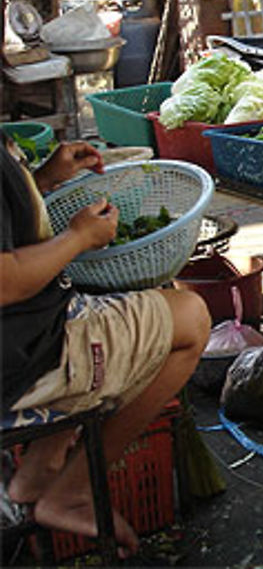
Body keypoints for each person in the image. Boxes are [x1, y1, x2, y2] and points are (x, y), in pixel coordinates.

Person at [1, 136, 210, 556]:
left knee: (98, 309)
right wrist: (79, 238)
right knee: (190, 318)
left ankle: (40, 470)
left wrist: (40, 181)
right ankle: (73, 490)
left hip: (22, 342)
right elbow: (6, 282)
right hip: (22, 363)